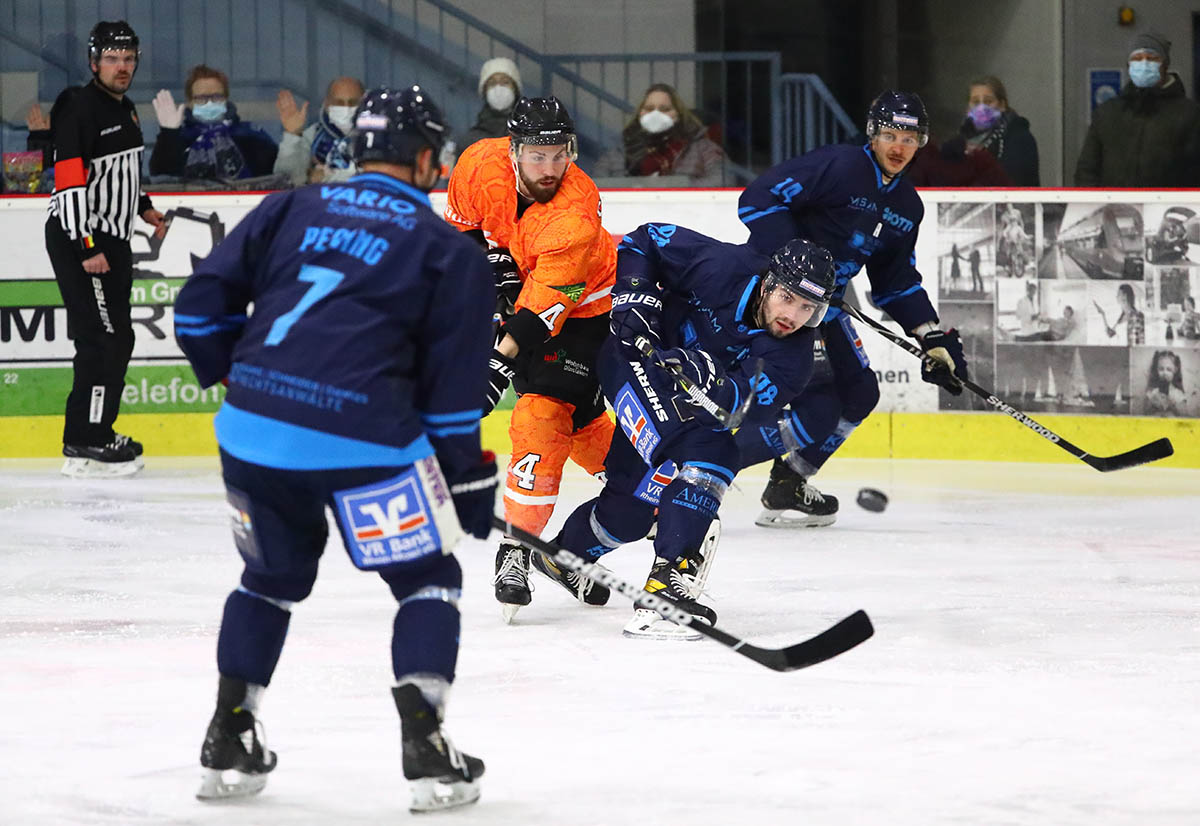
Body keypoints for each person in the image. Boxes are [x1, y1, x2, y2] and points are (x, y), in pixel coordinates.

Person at [174, 85, 497, 812]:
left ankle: (229, 731)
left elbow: (197, 312)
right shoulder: (448, 249)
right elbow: (449, 405)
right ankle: (426, 743)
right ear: (425, 158)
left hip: (251, 435)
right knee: (427, 579)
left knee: (267, 581)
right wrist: (468, 484)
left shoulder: (290, 206)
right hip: (366, 444)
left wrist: (248, 382)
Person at [553, 227, 835, 638]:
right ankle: (667, 583)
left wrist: (711, 379)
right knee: (716, 454)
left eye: (808, 307)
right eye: (787, 297)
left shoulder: (794, 360)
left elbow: (739, 408)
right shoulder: (724, 266)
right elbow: (644, 239)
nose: (793, 316)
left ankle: (563, 556)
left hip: (680, 408)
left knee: (629, 512)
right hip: (631, 361)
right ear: (768, 285)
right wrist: (636, 295)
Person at [734, 90, 969, 527]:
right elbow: (757, 199)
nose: (898, 147)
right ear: (872, 134)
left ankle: (789, 481)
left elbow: (895, 281)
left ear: (922, 142)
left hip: (826, 309)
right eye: (890, 134)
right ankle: (697, 476)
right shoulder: (839, 166)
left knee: (860, 394)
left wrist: (931, 337)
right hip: (778, 301)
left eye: (910, 137)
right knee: (816, 406)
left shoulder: (906, 207)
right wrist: (797, 270)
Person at [444, 97, 617, 620]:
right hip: (525, 291)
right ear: (513, 150)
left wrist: (496, 363)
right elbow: (464, 231)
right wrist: (494, 268)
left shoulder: (576, 209)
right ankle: (632, 481)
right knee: (571, 414)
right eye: (537, 156)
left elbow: (542, 311)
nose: (549, 169)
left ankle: (517, 547)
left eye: (558, 155)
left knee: (543, 410)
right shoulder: (479, 163)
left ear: (572, 152)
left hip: (585, 310)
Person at [45, 21, 166, 478]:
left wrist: (145, 209)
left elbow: (120, 176)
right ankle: (88, 438)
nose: (122, 67)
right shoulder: (79, 108)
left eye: (129, 58)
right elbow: (71, 182)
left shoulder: (128, 109)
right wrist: (86, 246)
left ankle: (92, 432)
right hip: (84, 238)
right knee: (102, 340)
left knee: (117, 339)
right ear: (94, 63)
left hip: (112, 239)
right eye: (113, 59)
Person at [1074, 33, 1200, 187]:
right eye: (1137, 58)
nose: (1144, 63)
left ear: (1165, 65)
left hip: (1167, 209)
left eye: (1152, 58)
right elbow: (1087, 170)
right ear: (1128, 66)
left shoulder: (1190, 114)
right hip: (1114, 209)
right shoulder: (1108, 113)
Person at [149, 64, 278, 181]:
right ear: (190, 103)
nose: (209, 103)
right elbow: (160, 177)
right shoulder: (179, 139)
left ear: (226, 99)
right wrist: (168, 133)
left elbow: (276, 175)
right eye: (201, 98)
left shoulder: (250, 134)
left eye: (216, 97)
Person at [595, 82, 725, 185]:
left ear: (678, 114)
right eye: (649, 109)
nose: (655, 114)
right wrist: (634, 186)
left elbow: (723, 180)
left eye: (665, 109)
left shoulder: (702, 148)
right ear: (640, 113)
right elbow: (596, 182)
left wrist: (675, 185)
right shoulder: (620, 149)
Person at [273, 77, 365, 186]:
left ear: (364, 103)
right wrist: (293, 134)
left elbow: (378, 176)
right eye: (339, 103)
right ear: (327, 104)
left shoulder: (377, 136)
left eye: (353, 103)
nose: (346, 108)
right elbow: (287, 180)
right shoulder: (313, 136)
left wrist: (326, 177)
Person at [956, 75, 1040, 186]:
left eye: (988, 101)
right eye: (976, 102)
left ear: (1002, 105)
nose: (982, 107)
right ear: (968, 108)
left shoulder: (1019, 138)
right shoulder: (960, 142)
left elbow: (1014, 181)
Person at [462, 57, 522, 148]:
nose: (499, 88)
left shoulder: (530, 135)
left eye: (505, 82)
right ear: (485, 91)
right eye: (492, 83)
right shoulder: (471, 140)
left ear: (515, 89)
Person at [1145, 350, 1186, 415]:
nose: (1165, 373)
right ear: (1157, 370)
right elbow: (1145, 413)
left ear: (1175, 370)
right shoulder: (1152, 392)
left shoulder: (1178, 394)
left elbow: (1184, 415)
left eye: (1169, 370)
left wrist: (1173, 405)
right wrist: (1153, 402)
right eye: (1161, 369)